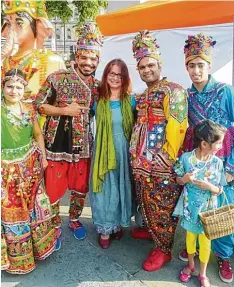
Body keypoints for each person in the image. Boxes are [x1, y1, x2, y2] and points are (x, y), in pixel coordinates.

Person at [35, 21, 102, 249]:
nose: (88, 63)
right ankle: (53, 225)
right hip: (57, 145)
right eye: (85, 57)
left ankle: (73, 219)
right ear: (77, 56)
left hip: (84, 146)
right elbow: (39, 105)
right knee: (53, 189)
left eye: (93, 59)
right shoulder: (57, 78)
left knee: (80, 187)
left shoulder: (98, 86)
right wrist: (65, 110)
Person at [129, 30, 188, 271]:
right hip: (141, 162)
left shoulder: (172, 90)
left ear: (159, 65)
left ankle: (163, 249)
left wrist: (168, 155)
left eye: (150, 65)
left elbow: (178, 123)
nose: (147, 70)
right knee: (147, 200)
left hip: (160, 164)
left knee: (162, 206)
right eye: (142, 67)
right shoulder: (144, 94)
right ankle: (152, 231)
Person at [179, 32, 234, 283]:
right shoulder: (186, 96)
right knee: (196, 209)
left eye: (200, 65)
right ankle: (196, 249)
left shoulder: (225, 92)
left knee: (221, 211)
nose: (196, 70)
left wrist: (232, 165)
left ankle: (224, 256)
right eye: (191, 65)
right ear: (187, 68)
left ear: (209, 66)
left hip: (223, 163)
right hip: (198, 162)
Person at [1, 69, 57, 274]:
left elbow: (37, 133)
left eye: (18, 87)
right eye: (10, 86)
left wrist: (43, 157)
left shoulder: (29, 109)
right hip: (5, 169)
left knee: (32, 208)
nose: (14, 90)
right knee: (11, 212)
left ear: (24, 89)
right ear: (3, 87)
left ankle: (38, 248)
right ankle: (16, 259)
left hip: (30, 166)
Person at [174, 120, 227, 287]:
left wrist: (210, 187)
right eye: (218, 142)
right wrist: (184, 179)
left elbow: (220, 189)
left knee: (205, 243)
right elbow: (178, 180)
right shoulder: (186, 159)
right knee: (190, 239)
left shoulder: (217, 163)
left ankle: (203, 274)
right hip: (190, 210)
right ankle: (190, 266)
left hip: (209, 212)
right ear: (204, 144)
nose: (220, 146)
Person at [89, 59, 135, 249]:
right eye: (112, 73)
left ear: (124, 77)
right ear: (106, 75)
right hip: (103, 151)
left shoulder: (131, 100)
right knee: (105, 190)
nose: (115, 78)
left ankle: (117, 224)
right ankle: (105, 229)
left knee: (121, 188)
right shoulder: (97, 100)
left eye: (119, 74)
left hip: (124, 151)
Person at [1, 0, 65, 127]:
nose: (11, 30)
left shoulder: (51, 61)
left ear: (37, 26)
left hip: (40, 132)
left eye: (19, 23)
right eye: (8, 24)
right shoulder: (5, 62)